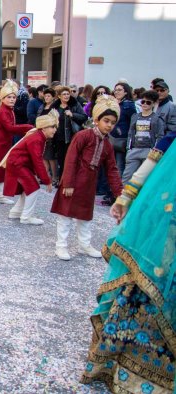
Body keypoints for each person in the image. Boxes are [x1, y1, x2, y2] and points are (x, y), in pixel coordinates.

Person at [80, 118, 176, 393]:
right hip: (163, 236)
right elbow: (148, 168)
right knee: (147, 291)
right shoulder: (171, 142)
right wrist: (125, 198)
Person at [51, 96, 123, 261]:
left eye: (113, 122)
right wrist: (68, 183)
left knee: (85, 216)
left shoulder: (107, 145)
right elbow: (71, 159)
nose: (109, 125)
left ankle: (84, 245)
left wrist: (120, 192)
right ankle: (61, 246)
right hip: (73, 182)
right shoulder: (83, 136)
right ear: (97, 119)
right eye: (106, 121)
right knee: (65, 216)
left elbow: (112, 169)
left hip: (88, 185)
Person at [0, 80, 34, 206]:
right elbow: (10, 128)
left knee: (1, 169)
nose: (12, 99)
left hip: (2, 145)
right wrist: (28, 127)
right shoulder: (3, 111)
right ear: (3, 98)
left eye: (14, 97)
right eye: (9, 97)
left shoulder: (8, 109)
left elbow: (11, 128)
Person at [1, 110, 58, 225]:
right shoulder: (37, 139)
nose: (55, 130)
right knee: (33, 187)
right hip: (18, 164)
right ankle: (26, 217)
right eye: (52, 127)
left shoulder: (38, 136)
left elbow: (35, 159)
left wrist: (38, 175)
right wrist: (46, 179)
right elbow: (37, 160)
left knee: (29, 187)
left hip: (17, 163)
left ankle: (16, 212)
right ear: (44, 128)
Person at [123, 90, 165, 183]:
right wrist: (129, 149)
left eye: (148, 102)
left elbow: (160, 136)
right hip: (134, 150)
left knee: (146, 179)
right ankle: (122, 196)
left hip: (149, 151)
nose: (145, 104)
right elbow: (130, 133)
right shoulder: (135, 116)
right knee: (127, 177)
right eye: (143, 101)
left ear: (153, 104)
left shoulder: (157, 119)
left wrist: (154, 151)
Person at [110, 82, 136, 175]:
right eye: (115, 90)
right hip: (111, 137)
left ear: (126, 92)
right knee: (110, 165)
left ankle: (118, 188)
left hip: (122, 139)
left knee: (119, 165)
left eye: (119, 90)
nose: (117, 92)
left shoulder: (129, 105)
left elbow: (133, 123)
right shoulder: (113, 104)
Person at [38, 88, 59, 186]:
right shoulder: (42, 106)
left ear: (53, 97)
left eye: (49, 96)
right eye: (45, 96)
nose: (46, 98)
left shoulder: (54, 108)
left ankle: (55, 177)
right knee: (44, 156)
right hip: (42, 133)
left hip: (51, 134)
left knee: (51, 157)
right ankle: (46, 176)